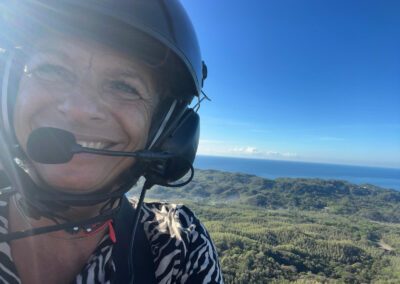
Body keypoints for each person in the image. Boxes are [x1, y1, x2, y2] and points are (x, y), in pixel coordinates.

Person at [0, 1, 223, 283]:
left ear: (164, 131)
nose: (79, 108)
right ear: (9, 91)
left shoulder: (178, 246)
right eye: (52, 70)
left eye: (123, 86)